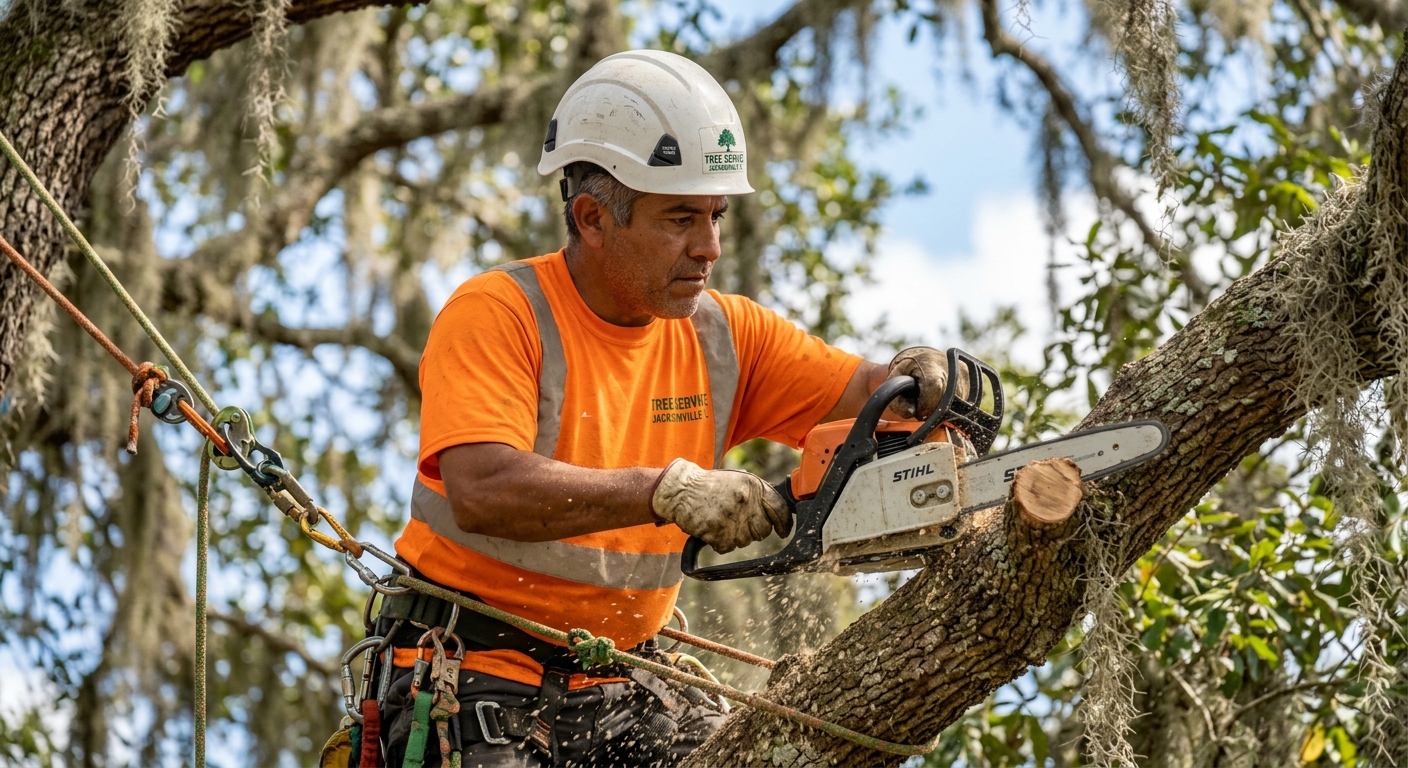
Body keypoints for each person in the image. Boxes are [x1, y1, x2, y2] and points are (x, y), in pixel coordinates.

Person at [372, 49, 965, 767]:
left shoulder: (725, 336)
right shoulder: (501, 312)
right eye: (681, 218)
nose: (708, 247)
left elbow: (868, 399)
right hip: (472, 675)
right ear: (592, 217)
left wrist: (915, 379)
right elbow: (482, 489)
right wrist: (666, 491)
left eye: (715, 216)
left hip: (625, 682)